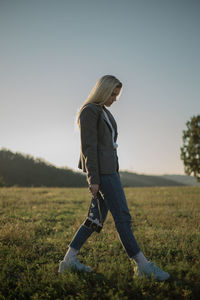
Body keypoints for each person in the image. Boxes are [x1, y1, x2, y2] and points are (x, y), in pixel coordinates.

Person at [58, 75, 170, 281]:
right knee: (123, 218)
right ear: (103, 91)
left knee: (95, 219)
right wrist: (93, 179)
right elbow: (88, 147)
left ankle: (68, 261)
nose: (116, 98)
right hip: (103, 174)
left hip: (110, 170)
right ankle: (143, 266)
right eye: (113, 93)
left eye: (117, 94)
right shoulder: (89, 111)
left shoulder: (103, 111)